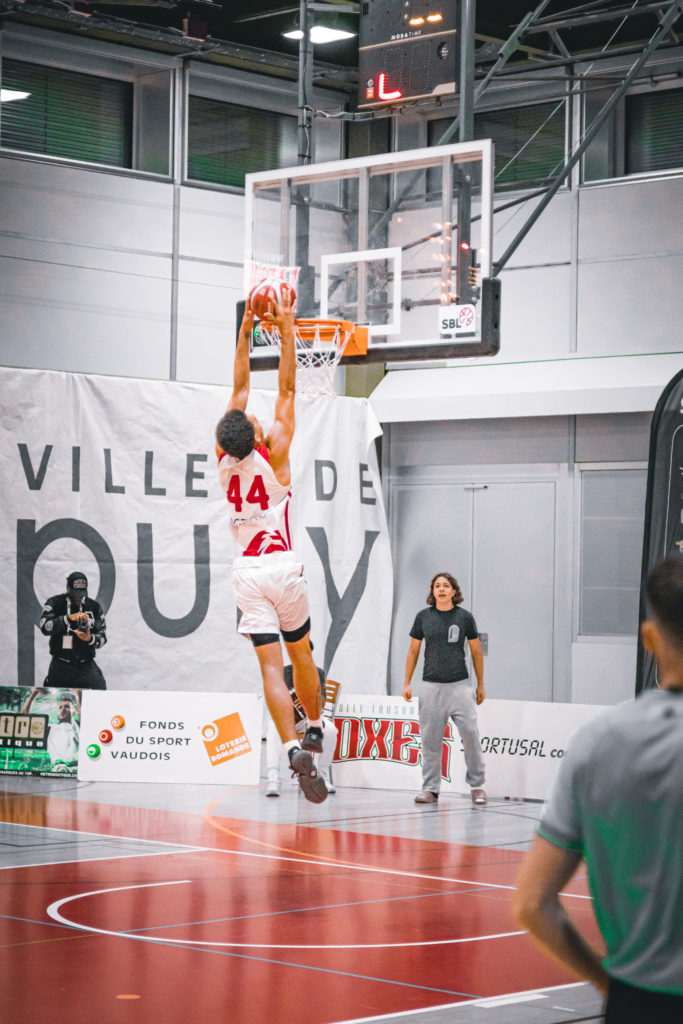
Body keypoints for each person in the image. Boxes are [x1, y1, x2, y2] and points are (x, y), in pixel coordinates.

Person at [514, 556, 683, 1023]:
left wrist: (608, 984)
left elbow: (531, 904)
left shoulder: (600, 742)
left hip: (642, 1002)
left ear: (649, 638)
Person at [215, 289, 327, 804]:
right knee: (300, 652)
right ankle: (314, 727)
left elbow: (239, 386)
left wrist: (244, 329)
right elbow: (285, 386)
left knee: (267, 667)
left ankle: (289, 748)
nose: (256, 416)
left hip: (247, 573)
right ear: (256, 437)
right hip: (282, 566)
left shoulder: (223, 459)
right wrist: (284, 327)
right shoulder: (275, 452)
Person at [402, 571, 486, 806]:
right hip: (431, 687)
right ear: (433, 591)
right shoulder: (423, 617)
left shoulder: (465, 617)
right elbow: (413, 651)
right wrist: (407, 682)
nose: (441, 589)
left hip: (460, 687)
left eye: (446, 586)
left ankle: (477, 786)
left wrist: (481, 684)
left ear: (453, 591)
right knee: (430, 741)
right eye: (437, 585)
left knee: (470, 734)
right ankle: (430, 789)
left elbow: (476, 652)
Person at [265, 650, 338, 797]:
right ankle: (273, 777)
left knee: (331, 730)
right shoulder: (283, 672)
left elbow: (322, 702)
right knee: (272, 726)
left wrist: (310, 701)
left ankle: (323, 775)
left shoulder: (318, 672)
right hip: (290, 719)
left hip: (312, 718)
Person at [39, 572, 107, 689]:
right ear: (68, 588)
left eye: (82, 593)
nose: (78, 598)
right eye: (75, 593)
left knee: (100, 690)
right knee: (53, 696)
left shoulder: (94, 607)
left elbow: (103, 637)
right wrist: (67, 619)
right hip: (61, 664)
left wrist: (90, 638)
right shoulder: (55, 603)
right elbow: (45, 627)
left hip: (85, 664)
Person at [22, 688, 81, 771]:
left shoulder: (77, 726)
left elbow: (82, 712)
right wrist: (34, 694)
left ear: (74, 712)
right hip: (59, 769)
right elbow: (24, 721)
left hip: (77, 768)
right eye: (60, 707)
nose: (62, 709)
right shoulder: (50, 729)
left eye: (67, 707)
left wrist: (78, 693)